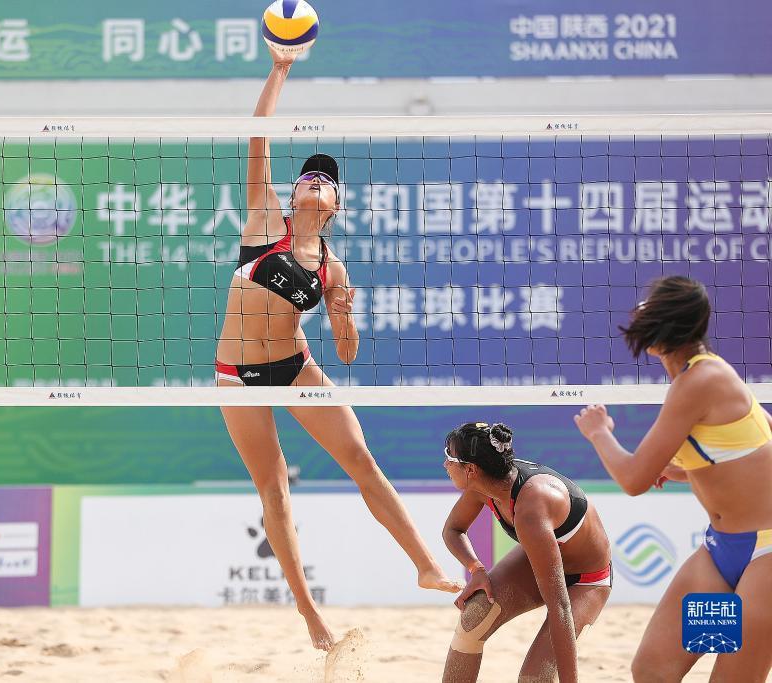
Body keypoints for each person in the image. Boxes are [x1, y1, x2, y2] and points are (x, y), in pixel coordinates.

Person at [215, 47, 460, 651]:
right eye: (309, 177)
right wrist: (280, 70)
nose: (317, 181)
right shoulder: (264, 221)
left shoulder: (333, 268)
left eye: (327, 181)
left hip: (295, 365)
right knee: (274, 489)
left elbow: (347, 353)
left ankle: (426, 565)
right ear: (296, 193)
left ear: (336, 207)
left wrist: (345, 315)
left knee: (361, 460)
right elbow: (257, 137)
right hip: (238, 374)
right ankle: (310, 616)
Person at [575, 275, 772, 682]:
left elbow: (633, 480)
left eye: (648, 306)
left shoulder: (701, 380)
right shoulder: (703, 376)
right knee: (655, 671)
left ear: (666, 323)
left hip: (767, 553)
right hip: (723, 551)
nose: (639, 311)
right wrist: (687, 472)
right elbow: (755, 444)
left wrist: (599, 432)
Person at [441, 422, 611, 682]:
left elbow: (559, 606)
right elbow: (453, 530)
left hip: (586, 580)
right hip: (543, 559)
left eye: (449, 457)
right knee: (473, 620)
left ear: (471, 469)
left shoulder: (531, 506)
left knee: (536, 678)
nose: (445, 464)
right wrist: (477, 569)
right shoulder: (484, 485)